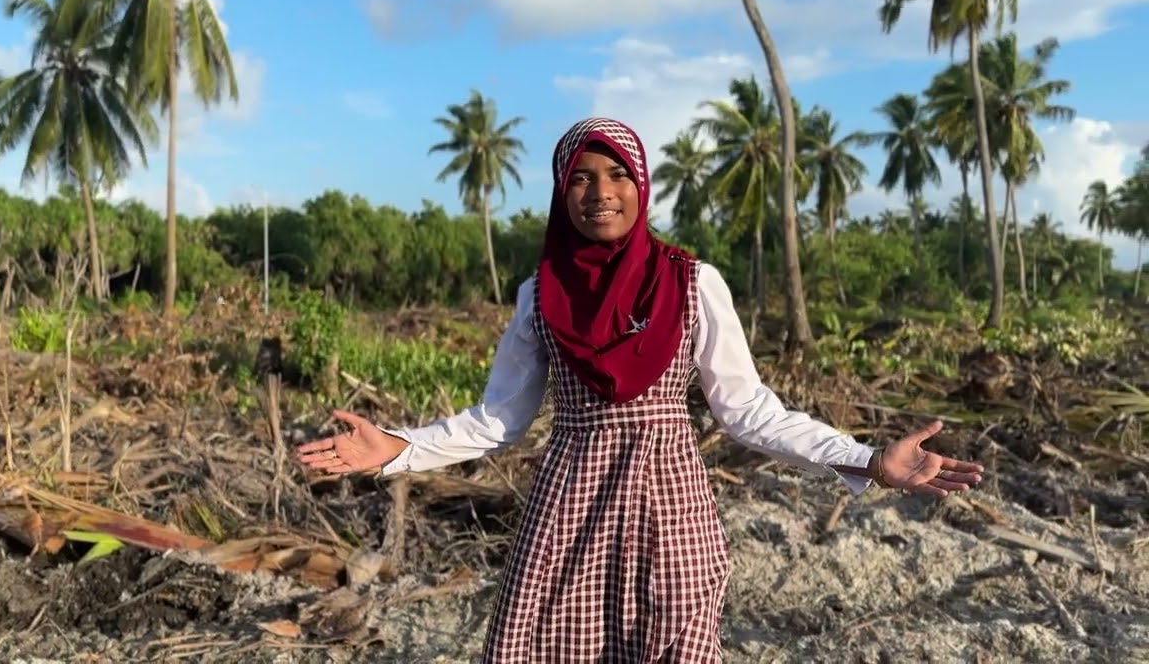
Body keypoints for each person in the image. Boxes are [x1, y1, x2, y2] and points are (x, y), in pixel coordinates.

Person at [298, 117, 984, 663]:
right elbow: (500, 418)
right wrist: (396, 448)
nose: (601, 193)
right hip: (567, 515)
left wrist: (869, 460)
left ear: (642, 184)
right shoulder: (540, 296)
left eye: (617, 174)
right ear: (561, 192)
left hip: (670, 515)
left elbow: (747, 409)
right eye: (582, 179)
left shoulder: (693, 283)